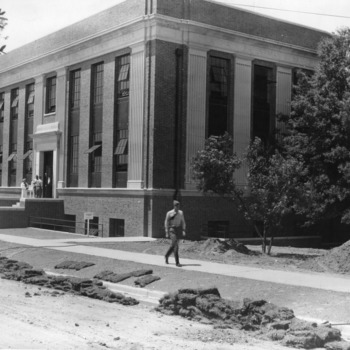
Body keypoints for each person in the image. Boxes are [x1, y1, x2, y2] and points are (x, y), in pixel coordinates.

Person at [164, 200, 186, 267]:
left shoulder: (181, 213)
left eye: (178, 205)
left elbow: (183, 221)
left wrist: (183, 230)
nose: (177, 207)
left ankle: (166, 255)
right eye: (176, 206)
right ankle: (177, 262)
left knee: (173, 245)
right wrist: (166, 232)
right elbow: (166, 222)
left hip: (178, 229)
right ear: (174, 206)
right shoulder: (169, 213)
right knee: (176, 245)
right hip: (172, 229)